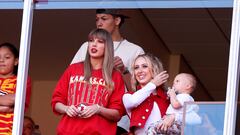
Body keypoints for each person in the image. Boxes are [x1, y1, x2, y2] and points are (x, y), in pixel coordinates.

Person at [71, 9, 144, 134]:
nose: (99, 23)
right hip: (84, 117)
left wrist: (123, 70)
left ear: (117, 20)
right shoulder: (87, 46)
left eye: (104, 19)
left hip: (118, 121)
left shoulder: (135, 50)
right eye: (97, 19)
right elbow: (70, 80)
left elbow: (138, 92)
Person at [51, 28, 125, 135]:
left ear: (107, 47)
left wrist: (98, 109)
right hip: (67, 131)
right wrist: (66, 108)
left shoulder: (115, 76)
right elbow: (56, 102)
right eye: (91, 40)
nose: (94, 44)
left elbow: (117, 113)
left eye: (100, 41)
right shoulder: (73, 69)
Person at [122, 53, 170, 135]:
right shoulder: (129, 96)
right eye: (136, 68)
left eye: (145, 66)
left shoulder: (168, 97)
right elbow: (133, 101)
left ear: (155, 69)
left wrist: (172, 117)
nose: (140, 71)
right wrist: (153, 84)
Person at [0, 42, 31, 134]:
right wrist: (4, 103)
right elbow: (9, 107)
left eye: (7, 57)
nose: (1, 60)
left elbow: (16, 100)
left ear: (16, 61)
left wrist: (12, 101)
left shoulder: (21, 80)